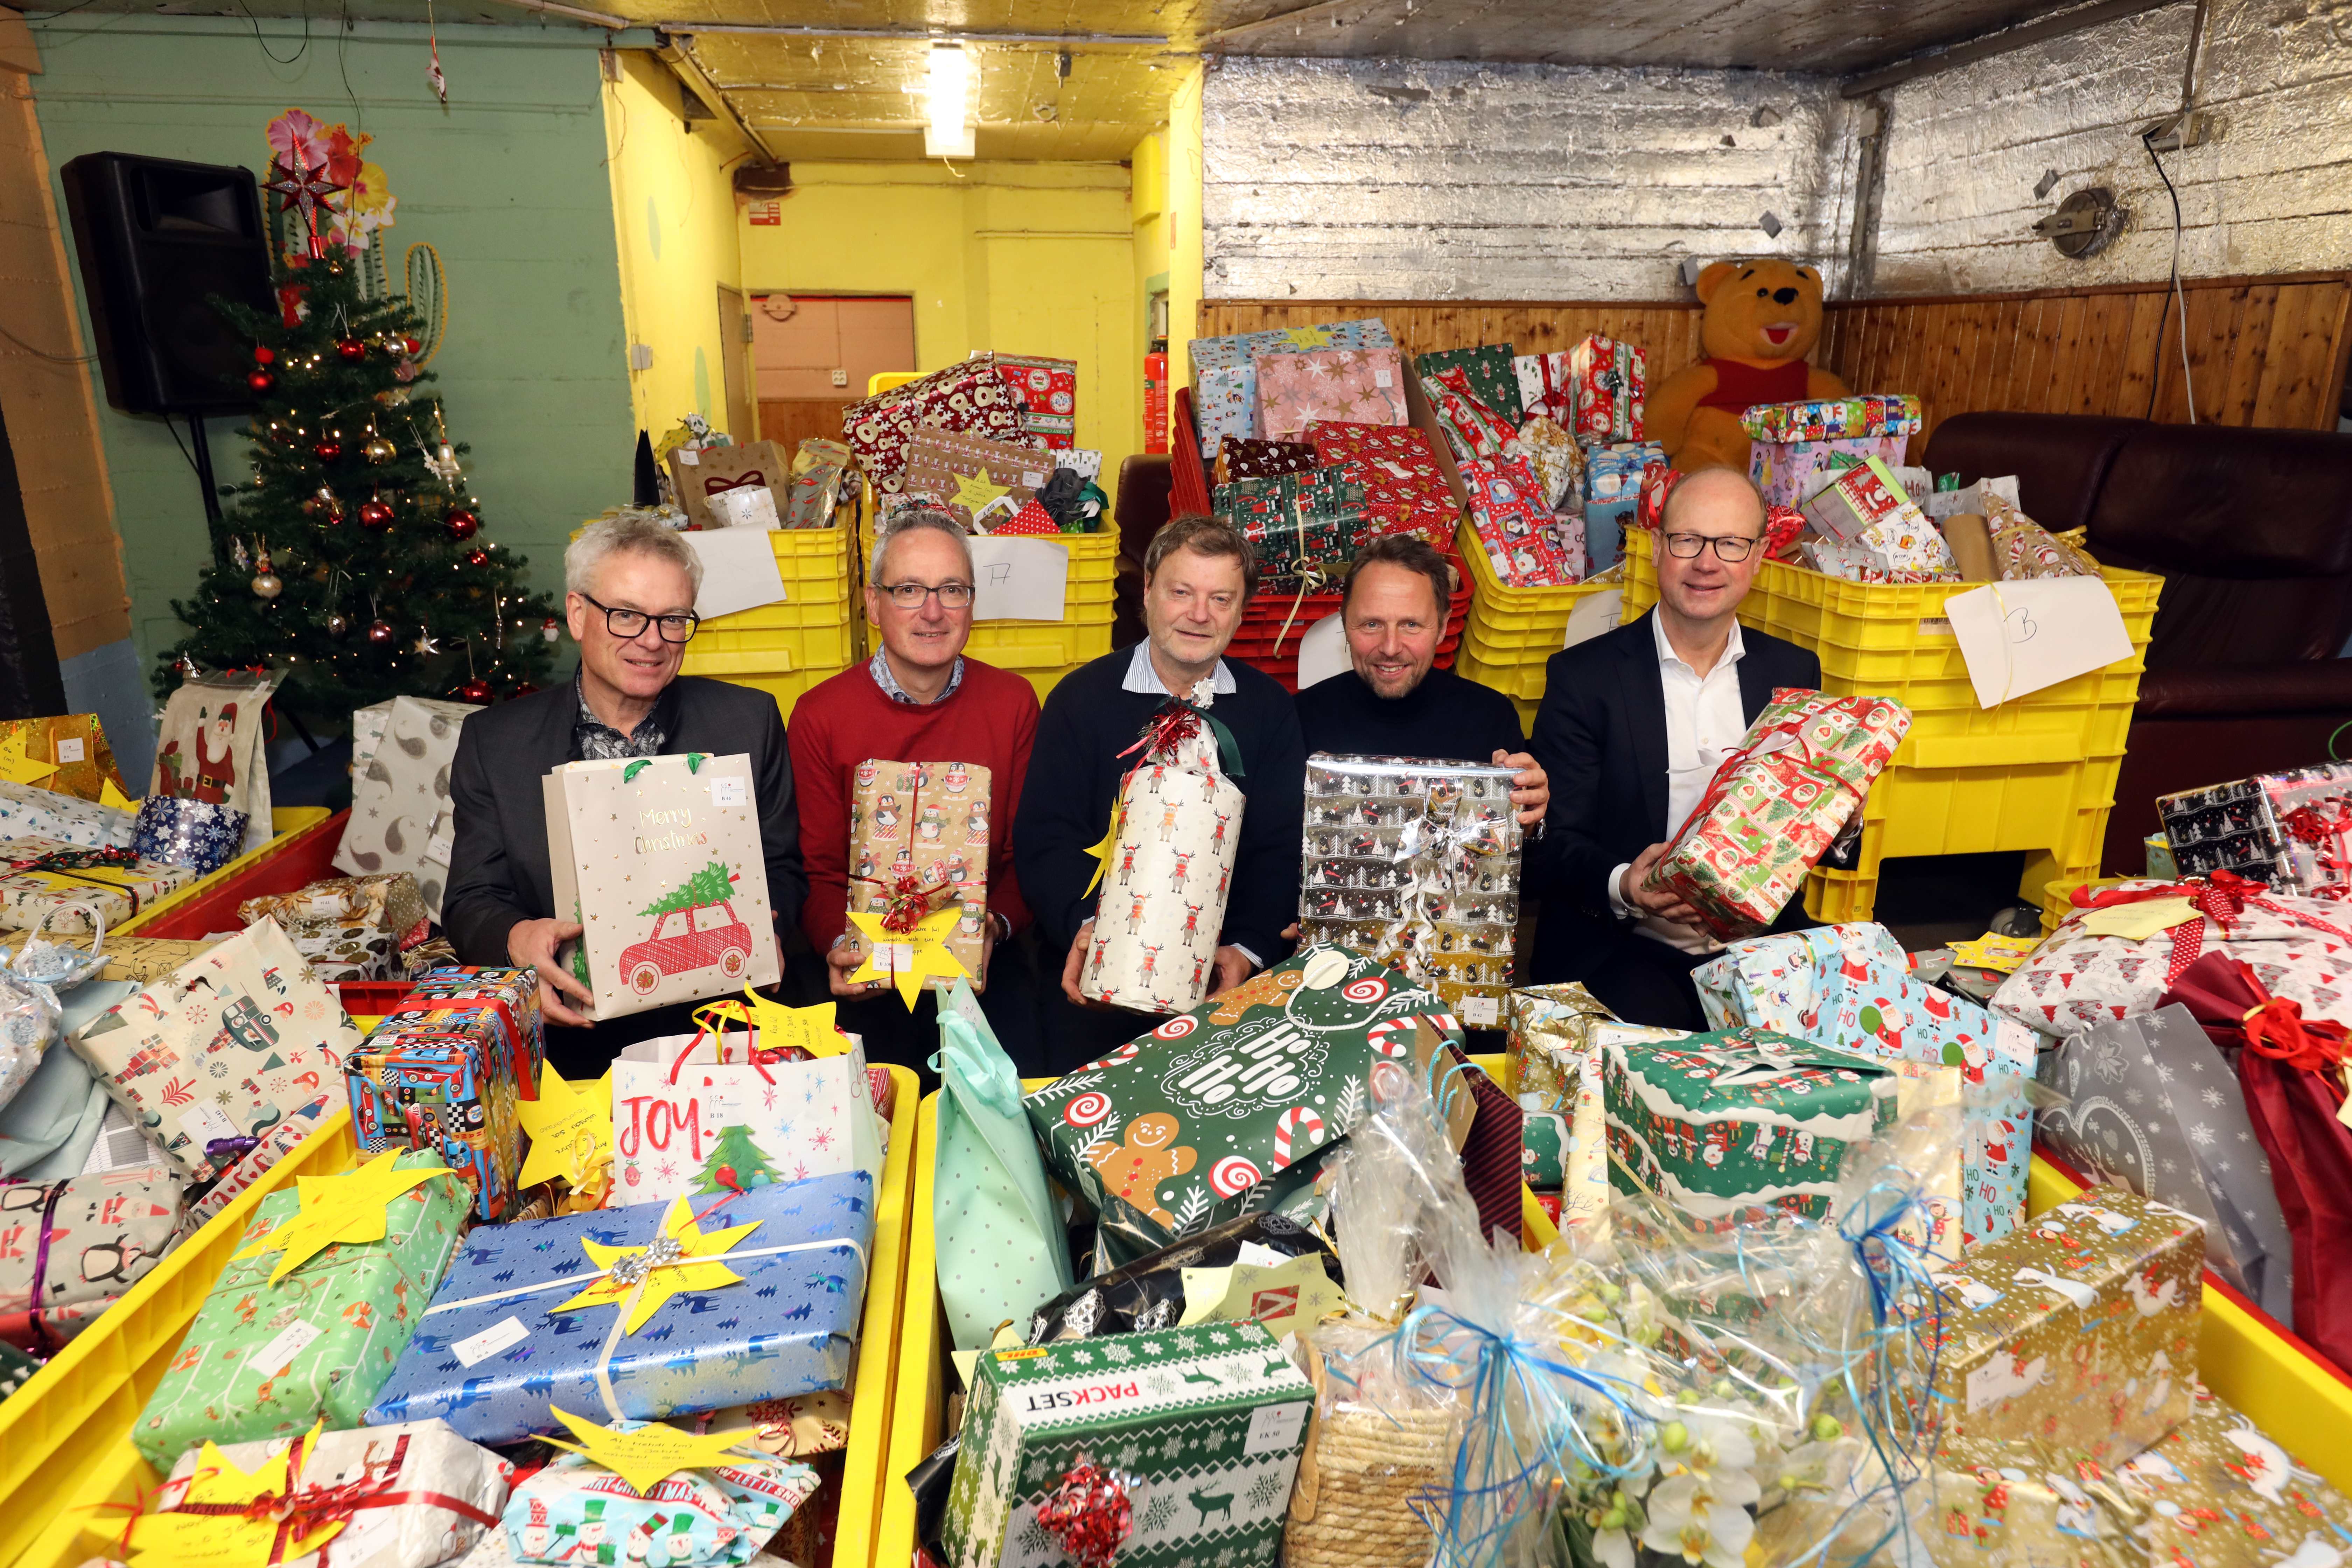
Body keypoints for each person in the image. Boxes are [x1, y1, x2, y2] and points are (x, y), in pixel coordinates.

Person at [442, 514, 807, 1077]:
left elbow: (781, 863)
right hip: (576, 1040)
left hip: (726, 1029)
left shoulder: (747, 722)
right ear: (578, 614)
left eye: (673, 619)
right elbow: (471, 899)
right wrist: (517, 938)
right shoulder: (497, 743)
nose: (653, 641)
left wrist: (771, 929)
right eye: (627, 616)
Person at [1526, 466, 1822, 1029]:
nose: (1707, 563)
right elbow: (1552, 848)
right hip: (1627, 945)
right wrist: (1627, 885)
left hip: (1761, 947)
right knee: (1655, 1056)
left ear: (1759, 556)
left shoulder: (1792, 672)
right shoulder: (1584, 678)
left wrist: (1840, 815)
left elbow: (1803, 835)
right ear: (1659, 547)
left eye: (1731, 544)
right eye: (1688, 540)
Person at [1014, 516, 1308, 1070]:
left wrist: (1245, 950)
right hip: (1091, 978)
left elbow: (1279, 846)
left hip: (1224, 988)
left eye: (1221, 598)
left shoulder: (1269, 710)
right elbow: (1046, 837)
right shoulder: (1079, 700)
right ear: (1146, 590)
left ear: (1241, 612)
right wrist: (1087, 932)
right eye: (1182, 592)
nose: (1200, 614)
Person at [788, 509, 1043, 1079]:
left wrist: (992, 928)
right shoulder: (820, 715)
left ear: (972, 602)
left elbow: (1025, 856)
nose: (933, 611)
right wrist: (838, 941)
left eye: (951, 589)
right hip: (866, 974)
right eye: (909, 590)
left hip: (982, 970)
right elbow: (816, 867)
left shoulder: (1013, 703)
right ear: (874, 604)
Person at [1296, 534, 1550, 826]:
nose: (1390, 648)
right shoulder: (1298, 720)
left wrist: (1529, 823)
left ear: (1442, 627)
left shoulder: (1492, 718)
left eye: (1411, 625)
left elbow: (1520, 857)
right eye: (1372, 624)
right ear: (1344, 623)